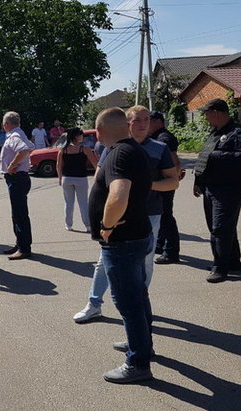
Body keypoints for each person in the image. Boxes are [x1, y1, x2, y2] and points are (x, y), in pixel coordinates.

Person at [73, 106, 178, 323]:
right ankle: (94, 304)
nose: (143, 125)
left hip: (149, 214)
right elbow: (101, 177)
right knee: (104, 261)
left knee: (146, 263)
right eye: (137, 120)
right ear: (126, 124)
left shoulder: (159, 148)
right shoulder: (113, 147)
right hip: (118, 217)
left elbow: (173, 181)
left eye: (146, 120)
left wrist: (147, 186)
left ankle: (139, 306)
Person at [88, 107, 154, 384]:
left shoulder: (119, 153)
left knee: (128, 303)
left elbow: (119, 192)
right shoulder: (133, 150)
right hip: (136, 236)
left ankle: (138, 363)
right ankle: (141, 345)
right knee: (138, 297)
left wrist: (107, 227)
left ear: (100, 132)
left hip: (123, 241)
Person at [193, 98, 241, 283]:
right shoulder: (214, 133)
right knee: (224, 226)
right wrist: (198, 182)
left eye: (206, 114)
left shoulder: (239, 133)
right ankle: (232, 261)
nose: (206, 118)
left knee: (220, 228)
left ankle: (220, 268)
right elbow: (203, 160)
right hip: (211, 187)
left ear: (217, 112)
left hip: (231, 188)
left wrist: (214, 155)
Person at [149, 111, 183, 264]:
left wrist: (174, 177)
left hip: (165, 183)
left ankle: (171, 252)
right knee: (162, 215)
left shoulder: (164, 138)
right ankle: (160, 245)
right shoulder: (158, 136)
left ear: (157, 121)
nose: (146, 124)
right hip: (162, 182)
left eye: (148, 120)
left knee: (166, 216)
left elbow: (173, 159)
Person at [0, 111, 35, 260]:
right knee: (18, 214)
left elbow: (24, 149)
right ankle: (20, 243)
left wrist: (13, 165)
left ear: (7, 124)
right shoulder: (19, 134)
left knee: (19, 214)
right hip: (19, 178)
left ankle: (24, 248)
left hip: (17, 178)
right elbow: (31, 147)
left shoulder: (15, 136)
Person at [56, 128, 97, 232]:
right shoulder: (85, 149)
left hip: (67, 178)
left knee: (68, 203)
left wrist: (60, 178)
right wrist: (98, 176)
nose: (82, 137)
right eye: (80, 135)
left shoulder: (63, 149)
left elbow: (58, 165)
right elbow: (95, 164)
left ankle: (68, 225)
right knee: (83, 203)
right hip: (81, 178)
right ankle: (88, 226)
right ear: (76, 136)